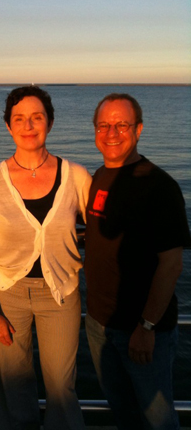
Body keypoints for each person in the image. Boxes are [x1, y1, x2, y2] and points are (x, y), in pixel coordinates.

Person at [0, 85, 91, 430]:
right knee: (15, 389)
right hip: (9, 294)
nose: (28, 125)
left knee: (61, 388)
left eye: (36, 117)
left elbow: (105, 227)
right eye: (19, 119)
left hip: (61, 293)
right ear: (9, 127)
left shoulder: (77, 177)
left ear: (50, 123)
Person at [84, 93, 191, 430]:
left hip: (142, 332)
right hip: (99, 324)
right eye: (104, 125)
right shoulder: (100, 176)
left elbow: (171, 265)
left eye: (121, 125)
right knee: (125, 416)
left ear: (139, 129)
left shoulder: (159, 186)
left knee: (157, 421)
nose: (111, 133)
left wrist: (146, 327)